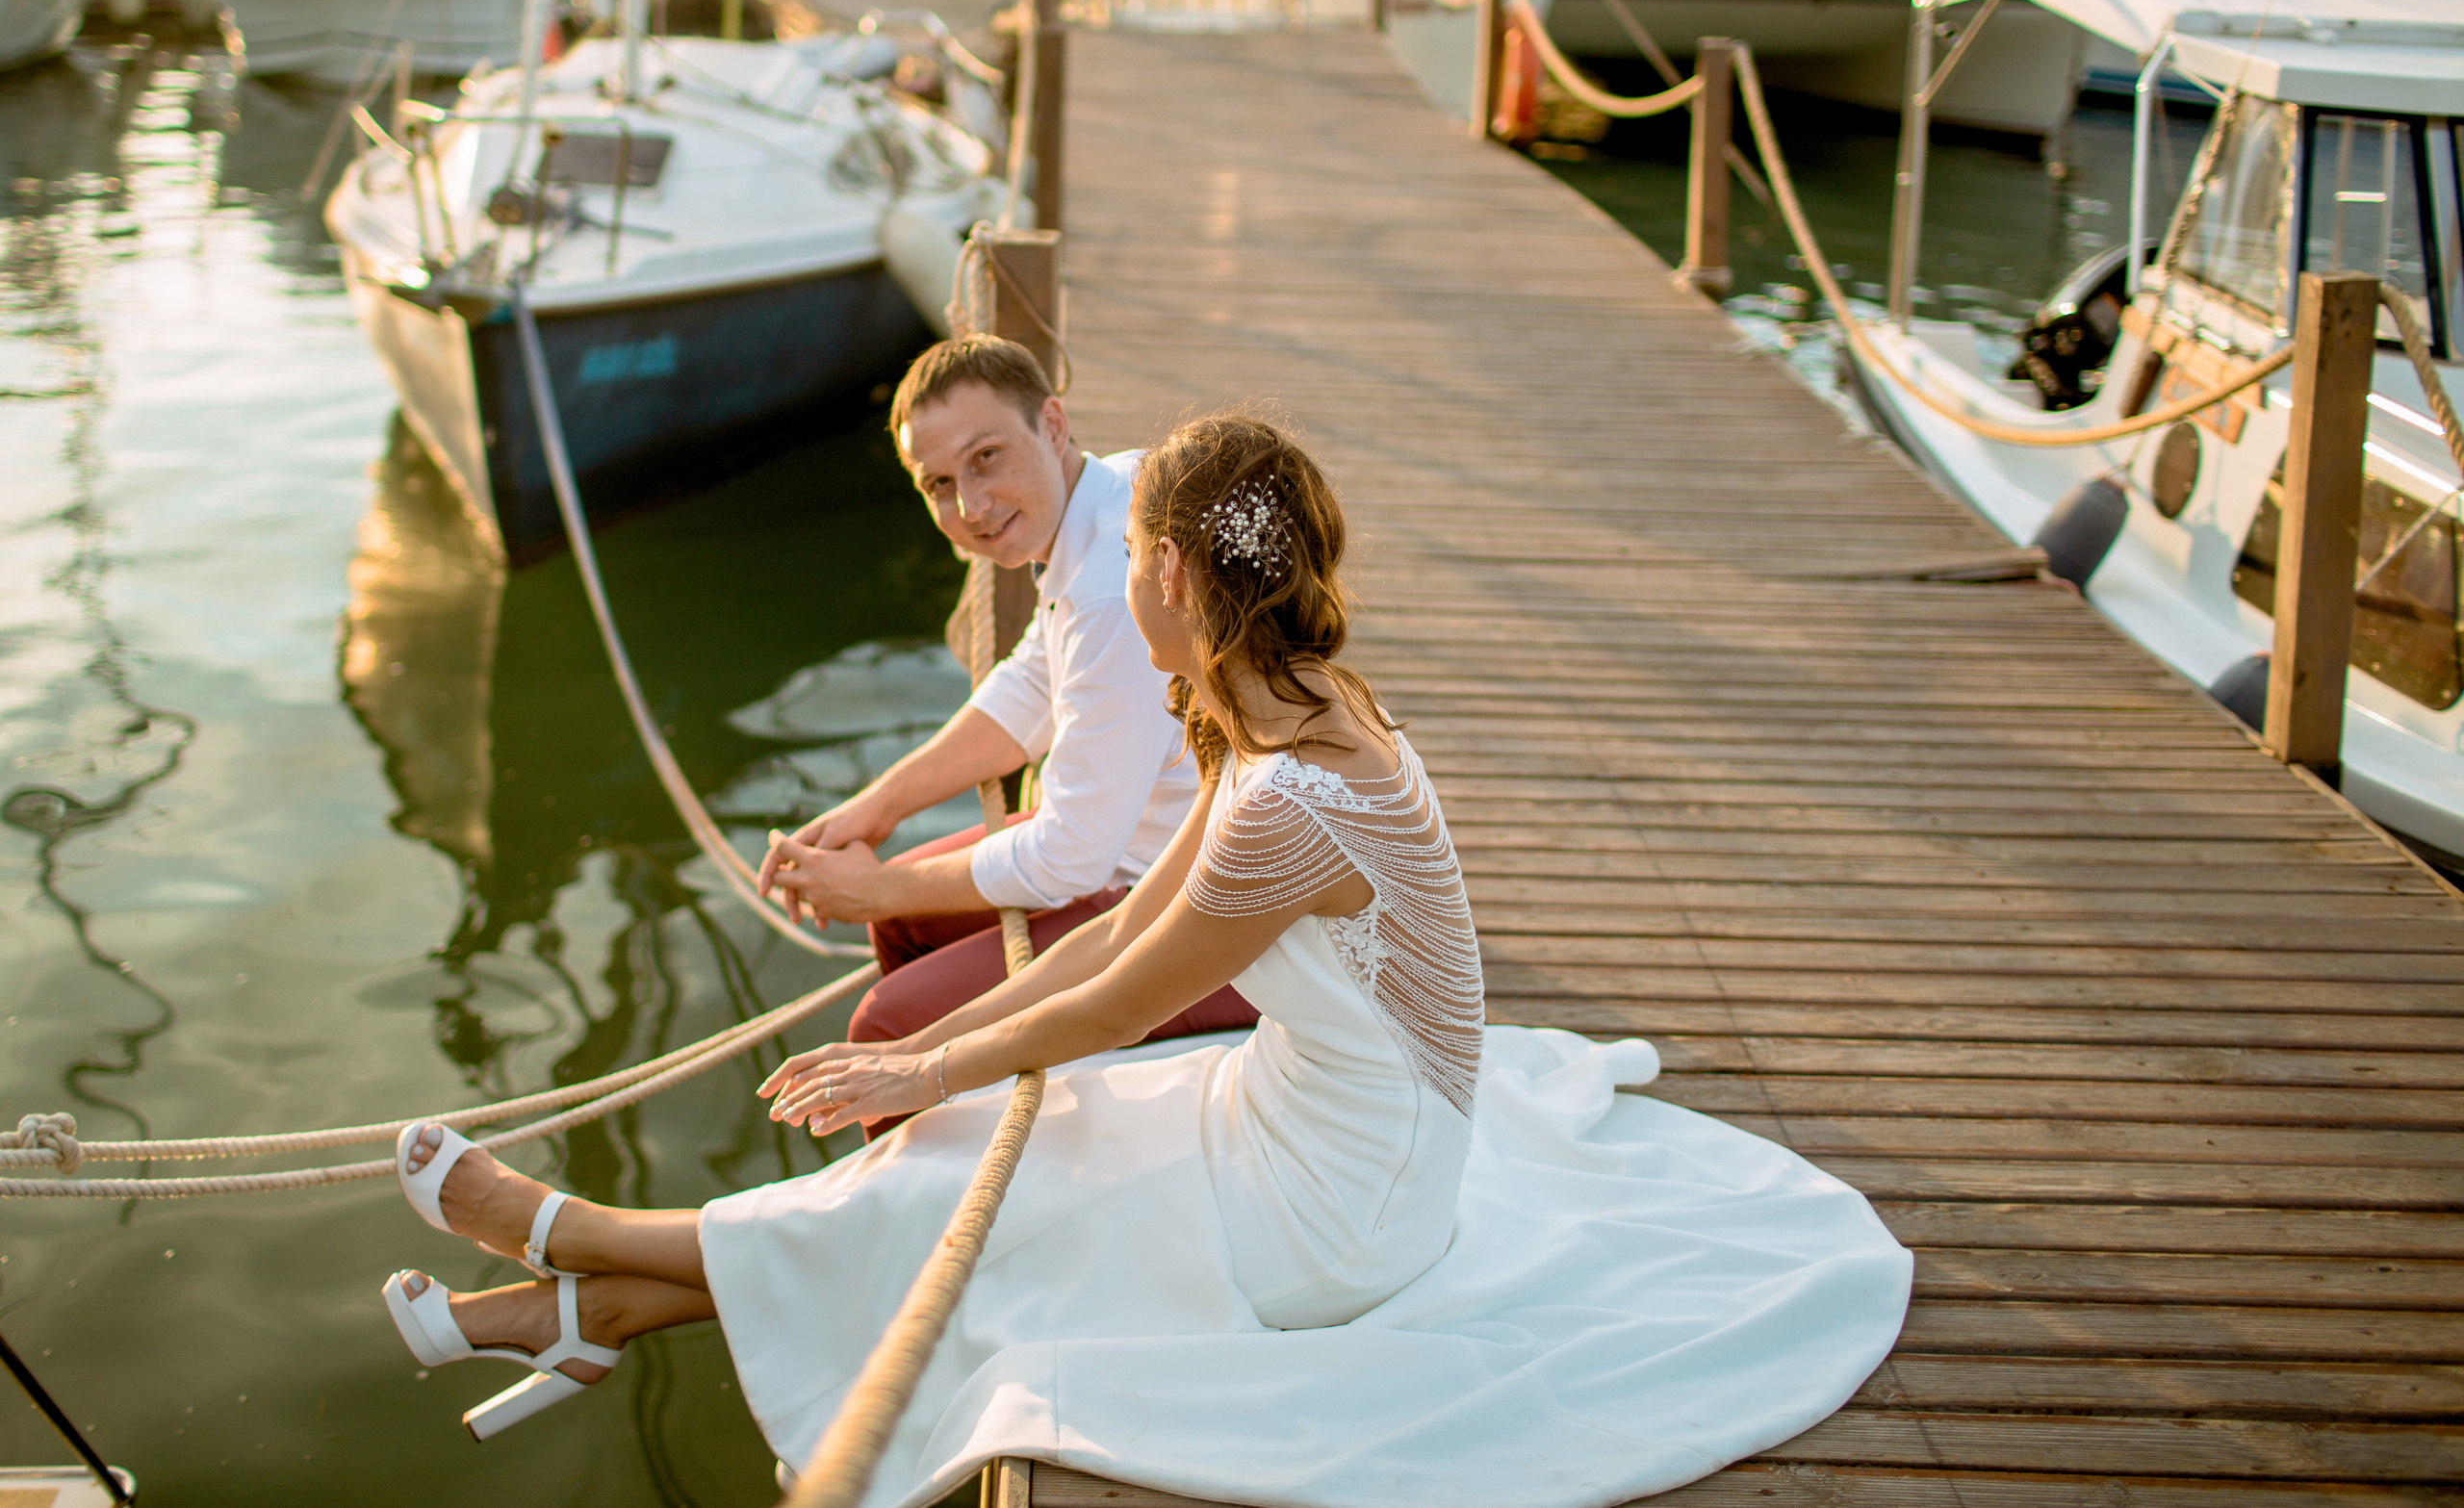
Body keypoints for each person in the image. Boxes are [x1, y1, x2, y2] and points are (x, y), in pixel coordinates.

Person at [379, 413, 1912, 1506]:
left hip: (1338, 1203)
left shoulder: (1297, 789)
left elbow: (1122, 995)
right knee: (958, 1147)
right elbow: (1111, 930)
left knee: (965, 1181)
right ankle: (593, 1299)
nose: (1118, 583)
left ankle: (585, 1251)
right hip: (1299, 1113)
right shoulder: (1290, 708)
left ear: (1172, 569)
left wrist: (914, 1054)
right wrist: (936, 1068)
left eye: (1138, 558)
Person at [754, 336, 1254, 1067]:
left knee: (885, 1026)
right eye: (937, 483)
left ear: (1052, 425)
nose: (970, 505)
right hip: (1137, 856)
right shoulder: (1106, 493)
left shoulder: (1112, 587)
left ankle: (960, 1135)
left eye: (986, 456)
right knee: (905, 930)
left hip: (1212, 919)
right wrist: (880, 806)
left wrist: (880, 886)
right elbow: (1034, 682)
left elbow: (1073, 856)